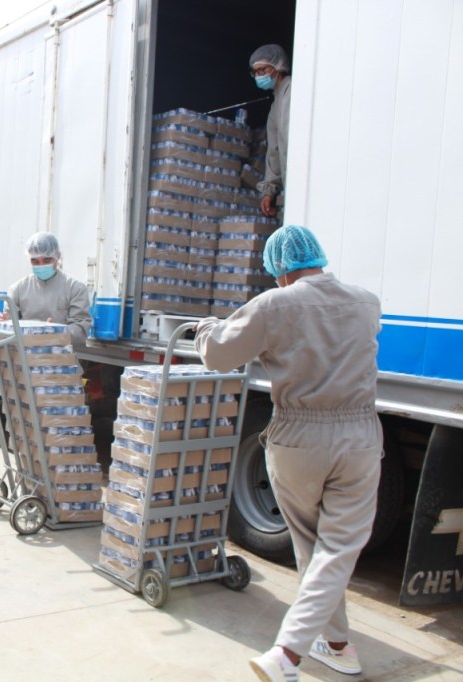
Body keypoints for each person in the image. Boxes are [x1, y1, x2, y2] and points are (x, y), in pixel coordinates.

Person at [193, 225, 381, 682]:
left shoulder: (275, 304)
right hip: (359, 436)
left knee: (315, 547)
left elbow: (218, 355)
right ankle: (338, 646)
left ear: (279, 268)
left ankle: (288, 653)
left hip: (299, 437)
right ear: (318, 256)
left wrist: (207, 328)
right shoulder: (367, 302)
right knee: (336, 550)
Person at [0, 232, 91, 347]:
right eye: (35, 261)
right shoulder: (17, 289)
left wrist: (58, 333)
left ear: (58, 257)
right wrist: (1, 324)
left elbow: (80, 332)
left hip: (61, 354)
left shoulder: (75, 288)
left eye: (47, 260)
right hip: (25, 355)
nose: (41, 265)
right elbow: (9, 329)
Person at [250, 44, 292, 218]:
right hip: (291, 186)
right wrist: (269, 191)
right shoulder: (275, 105)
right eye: (255, 72)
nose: (259, 76)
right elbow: (274, 151)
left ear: (278, 67)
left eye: (262, 70)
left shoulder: (292, 92)